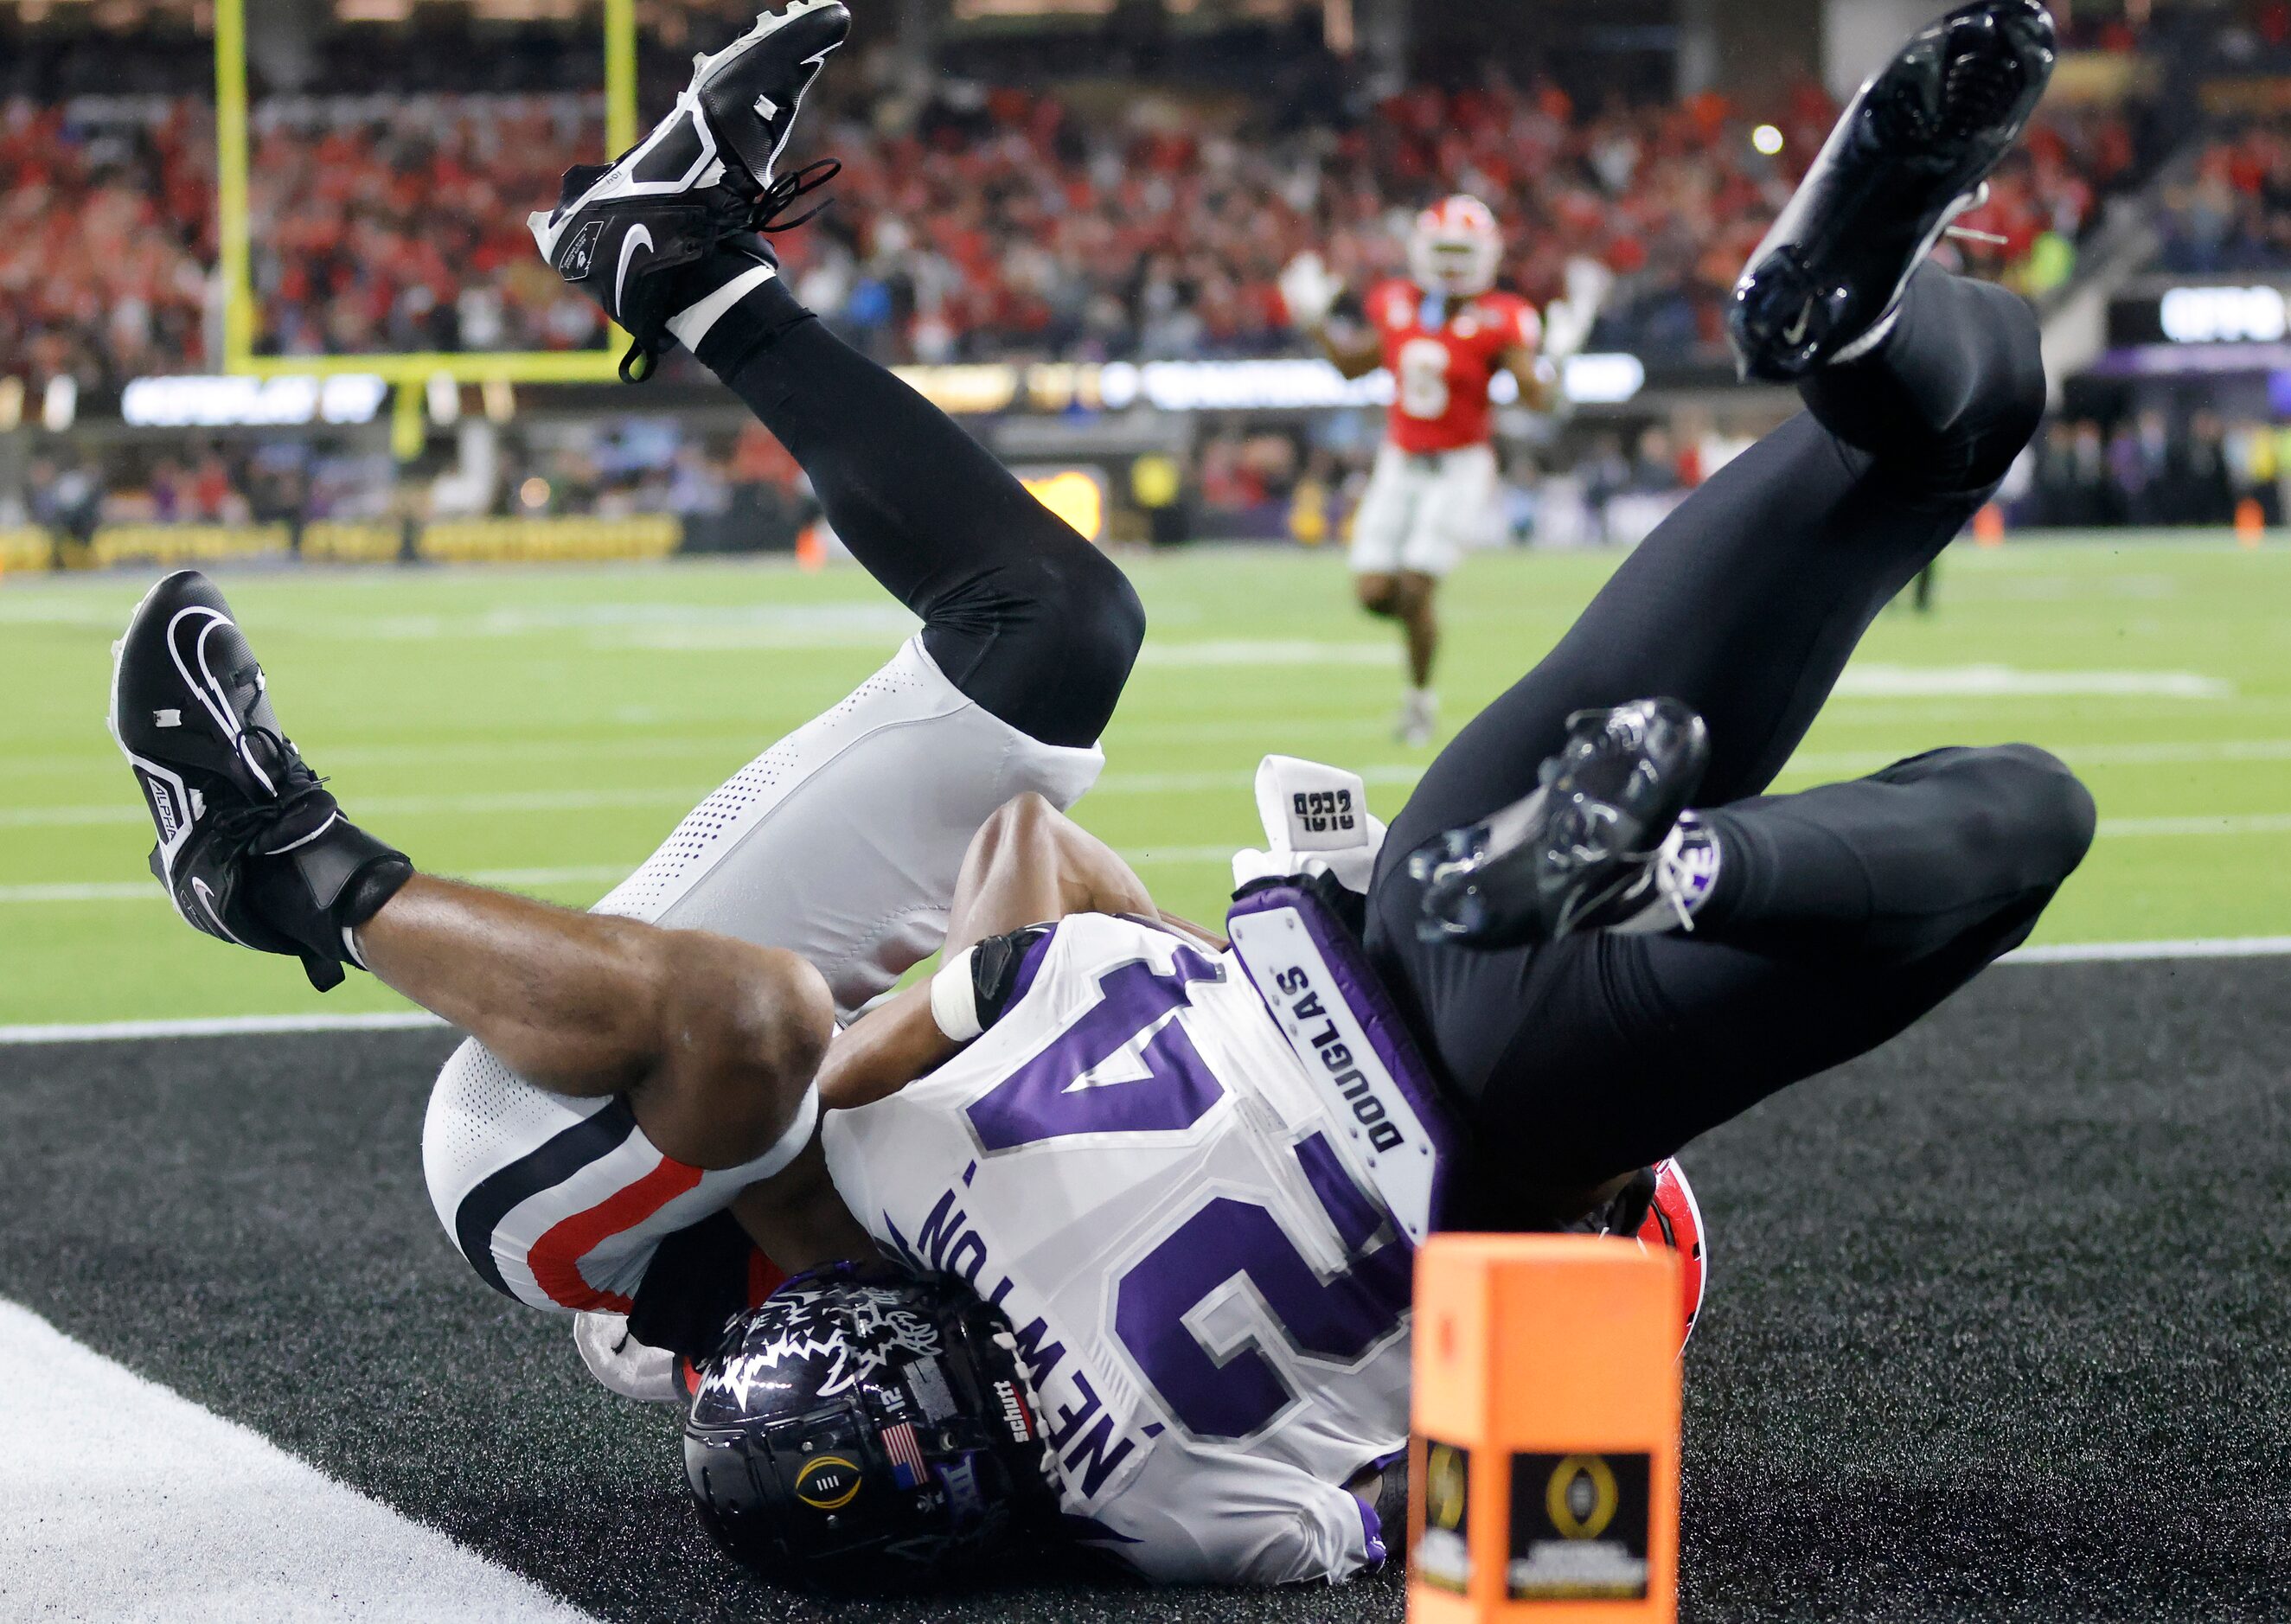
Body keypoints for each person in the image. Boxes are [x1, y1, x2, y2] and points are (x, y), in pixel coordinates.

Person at [111, 0, 2084, 1593]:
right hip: (1375, 986)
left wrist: (1094, 1000)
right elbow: (1021, 901)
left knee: (1039, 648)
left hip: (1399, 1062)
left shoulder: (1153, 1477)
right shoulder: (932, 1201)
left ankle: (305, 851)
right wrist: (1097, 978)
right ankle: (1842, 409)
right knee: (944, 806)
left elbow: (1497, 1515)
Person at [1281, 199, 1593, 746]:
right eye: (1443, 252)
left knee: (1418, 584)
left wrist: (1559, 363)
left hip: (1459, 466)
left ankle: (1419, 702)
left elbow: (1536, 400)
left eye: (1462, 253)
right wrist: (1315, 323)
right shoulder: (1397, 302)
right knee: (1376, 592)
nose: (1450, 265)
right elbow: (1352, 366)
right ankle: (1422, 633)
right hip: (1399, 460)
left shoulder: (1503, 316)